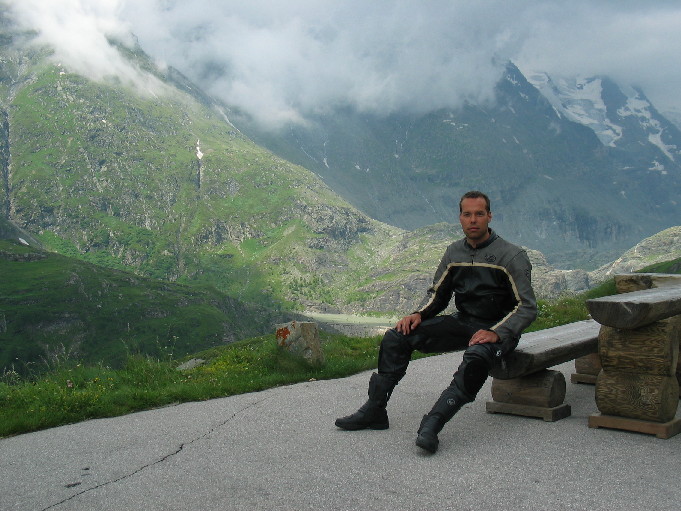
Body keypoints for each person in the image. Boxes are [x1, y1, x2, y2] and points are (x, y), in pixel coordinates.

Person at [335, 190, 537, 454]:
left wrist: (497, 332)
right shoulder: (454, 252)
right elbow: (438, 295)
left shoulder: (511, 255)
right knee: (397, 336)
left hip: (499, 330)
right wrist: (418, 314)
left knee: (476, 358)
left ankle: (432, 424)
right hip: (463, 322)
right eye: (467, 214)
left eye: (479, 214)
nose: (473, 220)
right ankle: (374, 410)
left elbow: (527, 307)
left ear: (489, 216)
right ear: (460, 217)